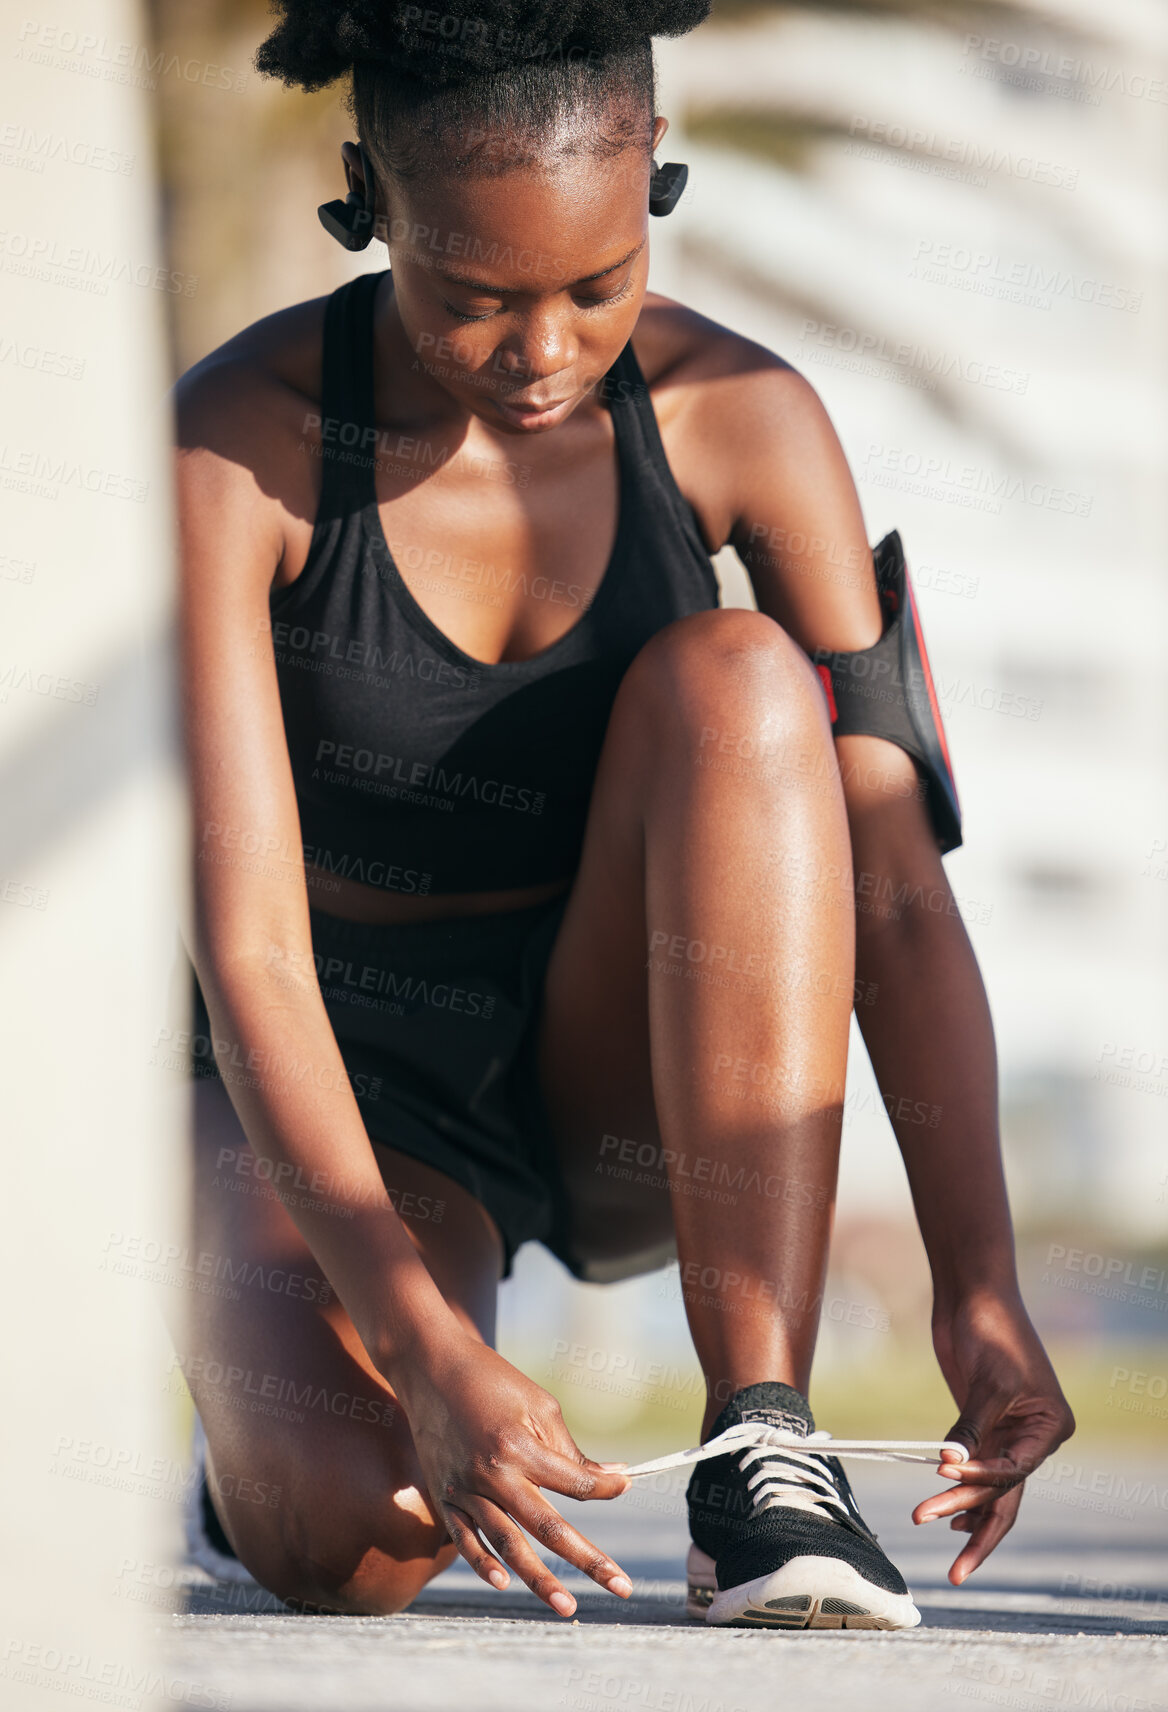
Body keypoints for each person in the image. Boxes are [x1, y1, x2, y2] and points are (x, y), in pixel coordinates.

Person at [172, 0, 1074, 1629]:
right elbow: (247, 952)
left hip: (629, 1066)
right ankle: (263, 1451)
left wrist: (982, 1288)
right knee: (352, 1541)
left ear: (654, 173)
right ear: (367, 191)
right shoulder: (240, 447)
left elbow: (895, 898)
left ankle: (762, 1450)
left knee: (740, 675)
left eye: (597, 287)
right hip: (331, 1075)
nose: (539, 353)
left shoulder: (753, 421)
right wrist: (432, 1354)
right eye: (473, 298)